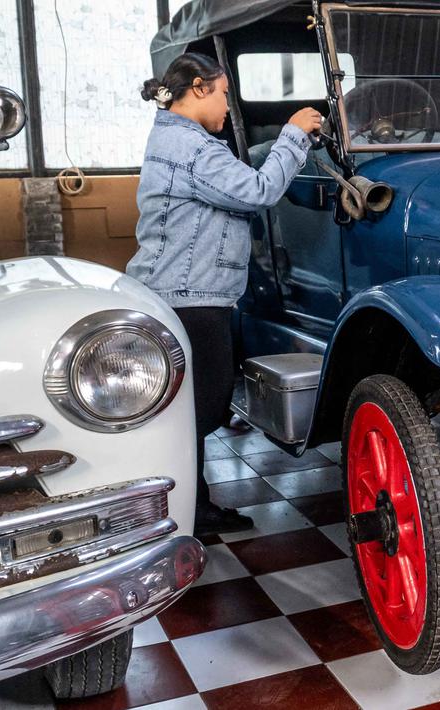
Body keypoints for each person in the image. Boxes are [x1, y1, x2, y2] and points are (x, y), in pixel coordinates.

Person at [127, 52, 323, 535]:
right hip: (187, 298)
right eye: (223, 94)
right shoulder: (189, 146)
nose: (225, 107)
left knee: (192, 404)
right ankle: (175, 511)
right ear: (198, 88)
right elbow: (256, 191)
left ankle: (193, 505)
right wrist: (294, 135)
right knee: (205, 404)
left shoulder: (179, 138)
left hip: (191, 292)